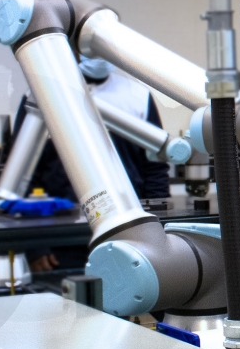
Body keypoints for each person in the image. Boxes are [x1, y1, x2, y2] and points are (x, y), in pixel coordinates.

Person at [13, 55, 172, 272]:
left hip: (128, 233)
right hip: (60, 238)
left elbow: (155, 169)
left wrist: (155, 234)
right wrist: (35, 245)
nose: (98, 55)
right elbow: (23, 176)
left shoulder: (137, 96)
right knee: (62, 305)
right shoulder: (40, 93)